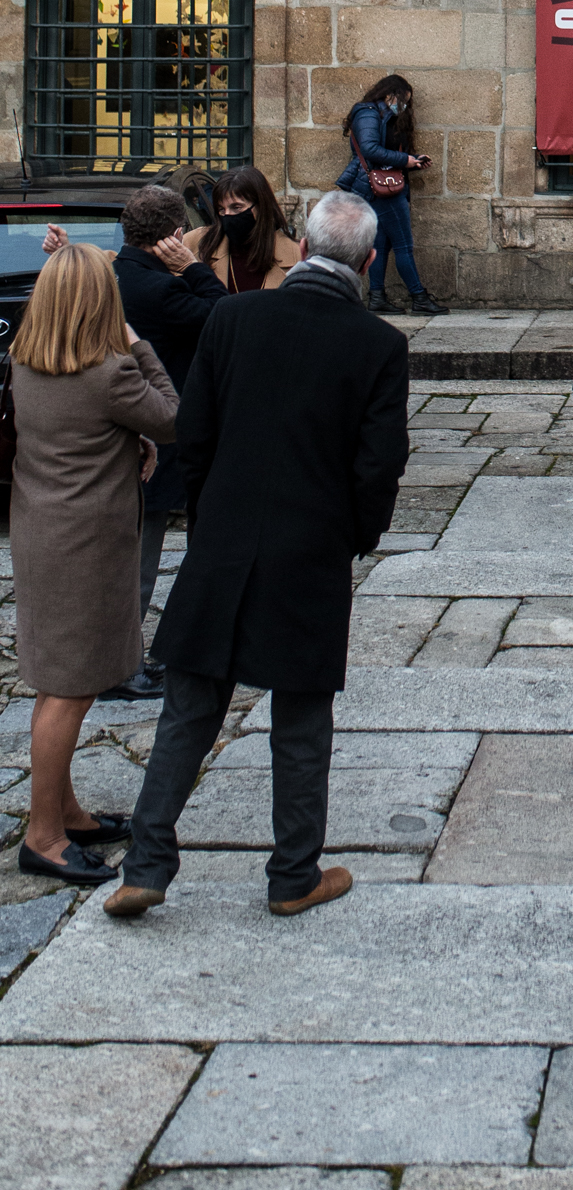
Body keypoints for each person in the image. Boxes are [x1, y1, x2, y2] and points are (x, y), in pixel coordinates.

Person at [101, 190, 410, 921]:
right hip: (310, 546)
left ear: (301, 249)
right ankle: (292, 873)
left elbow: (195, 430)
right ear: (367, 263)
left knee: (188, 706)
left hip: (225, 538)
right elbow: (378, 466)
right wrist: (353, 537)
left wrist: (211, 520)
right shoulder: (377, 344)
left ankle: (145, 863)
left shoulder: (233, 319)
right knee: (301, 718)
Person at [10, 244, 178, 883]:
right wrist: (138, 341)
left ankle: (67, 810)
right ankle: (44, 837)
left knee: (58, 680)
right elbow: (174, 417)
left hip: (41, 533)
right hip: (85, 544)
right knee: (69, 690)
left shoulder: (27, 363)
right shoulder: (111, 372)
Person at [45, 182, 228, 701]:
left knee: (124, 556)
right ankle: (121, 667)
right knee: (138, 560)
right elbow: (224, 317)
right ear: (174, 234)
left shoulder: (110, 275)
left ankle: (127, 656)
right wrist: (193, 266)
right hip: (158, 434)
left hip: (111, 433)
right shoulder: (162, 289)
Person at [336, 72, 449, 317]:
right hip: (381, 188)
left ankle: (376, 297)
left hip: (380, 184)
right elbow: (369, 149)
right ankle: (418, 297)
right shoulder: (367, 113)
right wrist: (405, 160)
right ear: (390, 94)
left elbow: (383, 148)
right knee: (403, 245)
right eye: (403, 100)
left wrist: (413, 160)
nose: (404, 106)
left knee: (380, 244)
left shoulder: (380, 114)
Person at [185, 166, 300, 291]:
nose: (228, 215)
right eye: (221, 209)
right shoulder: (196, 244)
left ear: (260, 206)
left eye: (237, 207)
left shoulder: (297, 256)